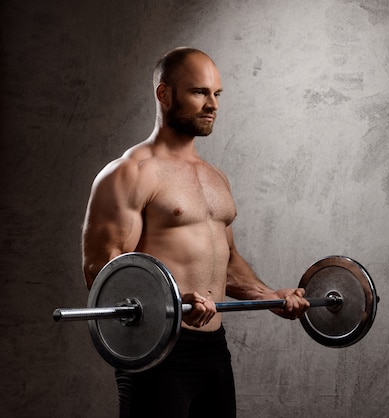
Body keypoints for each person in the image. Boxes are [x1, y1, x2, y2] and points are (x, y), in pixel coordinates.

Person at [81, 47, 310, 418]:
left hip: (213, 351)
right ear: (164, 94)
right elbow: (102, 272)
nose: (212, 105)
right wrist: (168, 301)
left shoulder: (215, 177)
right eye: (199, 92)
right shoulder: (130, 173)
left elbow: (227, 261)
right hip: (157, 354)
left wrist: (270, 295)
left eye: (217, 94)